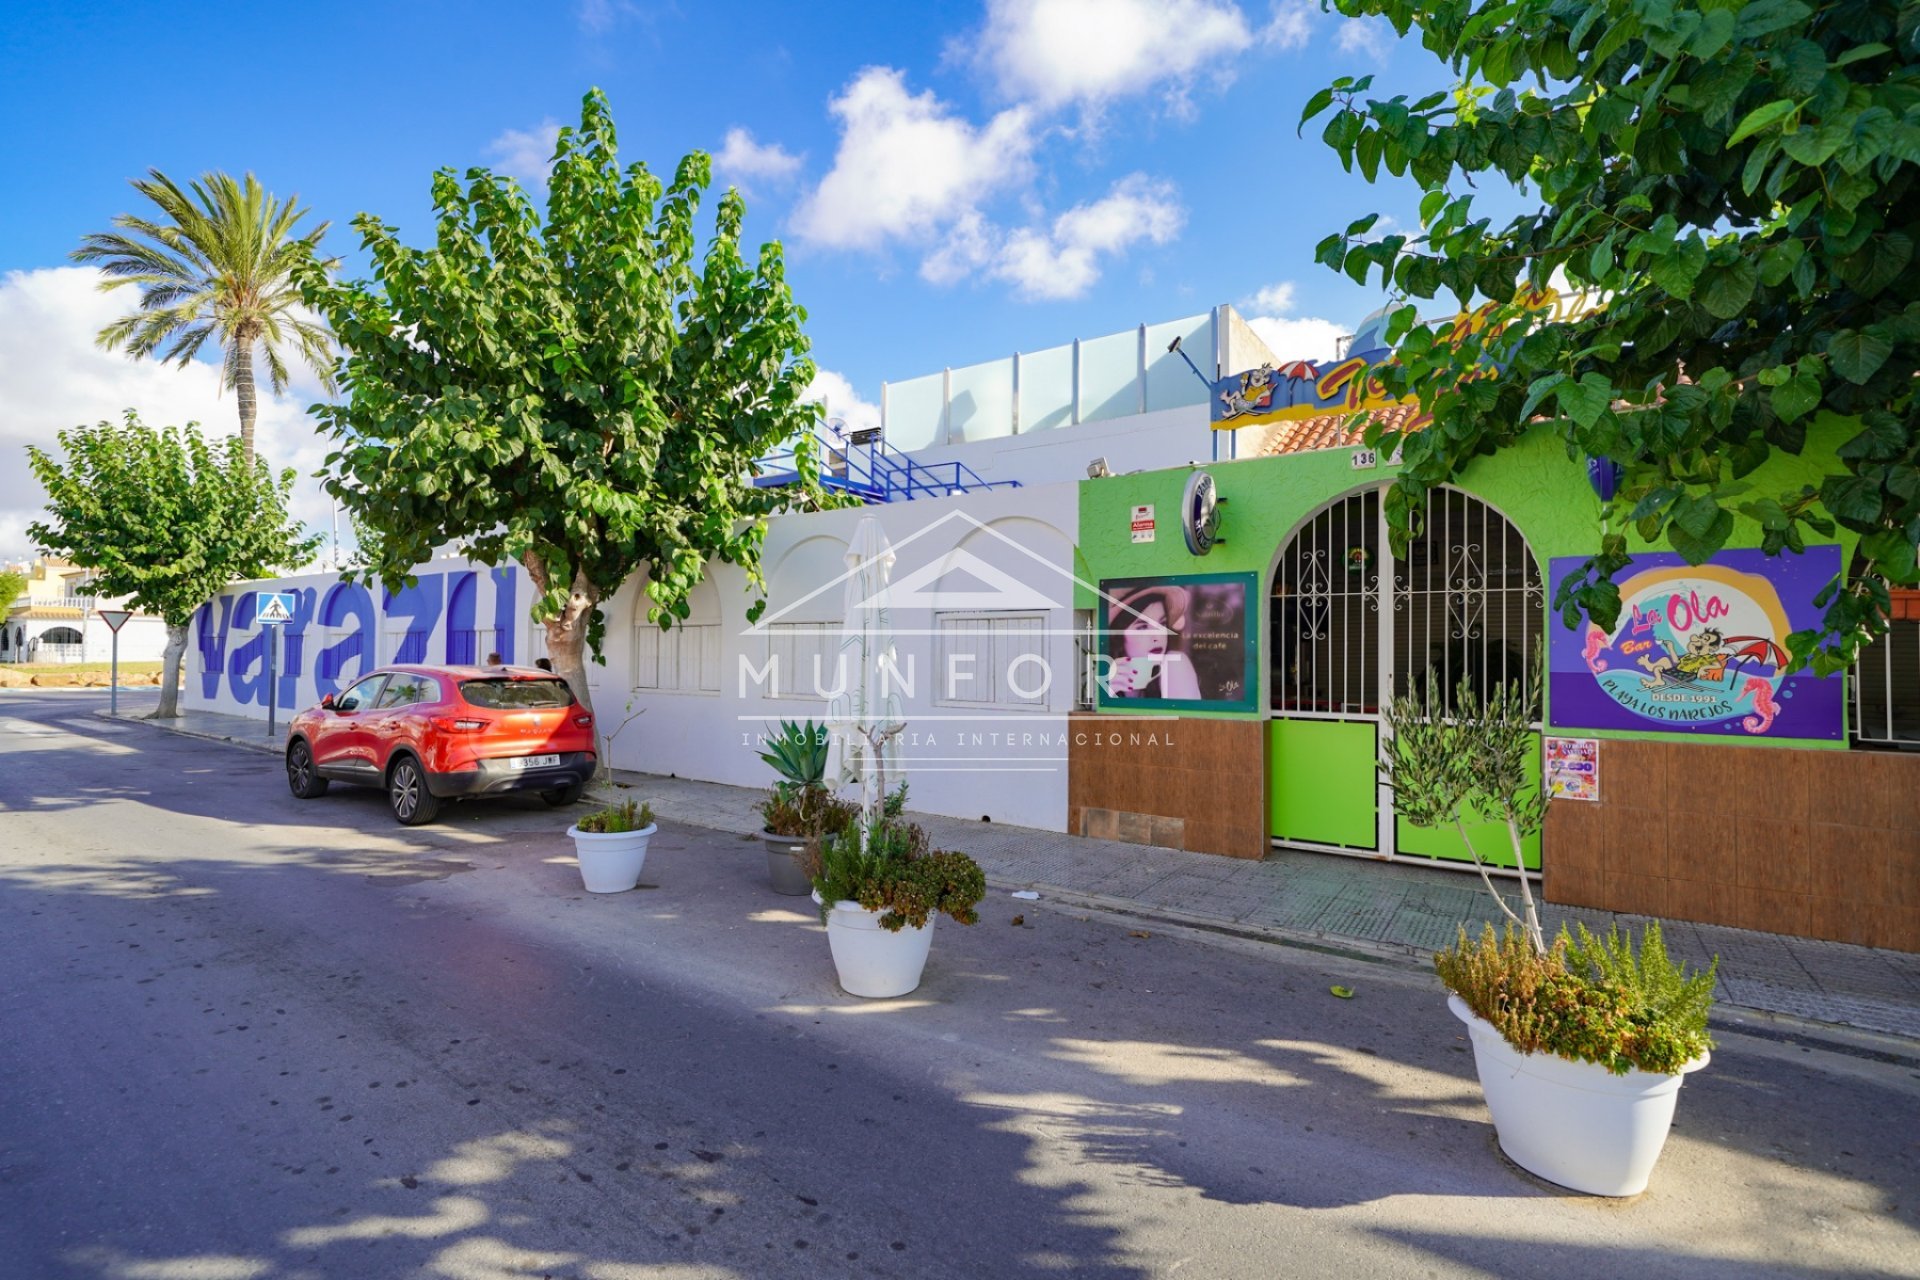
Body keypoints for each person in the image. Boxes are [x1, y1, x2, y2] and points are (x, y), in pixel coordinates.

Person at [1104, 585, 1203, 700]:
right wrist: (1106, 694)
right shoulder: (1104, 677)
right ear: (1119, 637)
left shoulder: (1174, 663)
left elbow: (1183, 718)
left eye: (1162, 623)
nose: (1157, 637)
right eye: (1142, 627)